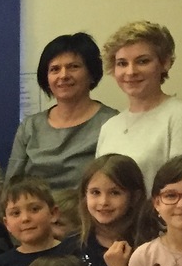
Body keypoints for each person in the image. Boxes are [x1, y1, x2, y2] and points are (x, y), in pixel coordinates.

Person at [94, 21, 182, 188]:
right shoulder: (109, 127)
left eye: (142, 61)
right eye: (122, 63)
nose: (131, 72)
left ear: (165, 63)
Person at [7, 32, 119, 191]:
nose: (64, 75)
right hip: (34, 206)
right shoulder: (30, 126)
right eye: (55, 69)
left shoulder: (112, 122)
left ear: (92, 74)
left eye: (73, 67)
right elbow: (11, 186)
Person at [76, 154, 150, 266]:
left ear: (135, 197)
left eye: (115, 193)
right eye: (95, 192)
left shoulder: (149, 248)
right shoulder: (72, 247)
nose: (103, 202)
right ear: (85, 195)